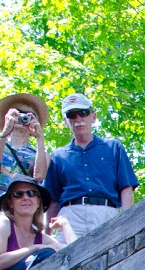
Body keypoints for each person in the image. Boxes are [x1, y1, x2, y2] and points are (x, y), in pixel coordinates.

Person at [40, 95, 139, 238]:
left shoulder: (113, 147)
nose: (78, 118)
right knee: (66, 252)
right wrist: (47, 236)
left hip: (106, 213)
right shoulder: (57, 156)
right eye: (72, 115)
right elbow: (53, 200)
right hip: (70, 217)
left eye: (83, 113)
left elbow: (126, 187)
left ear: (93, 117)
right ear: (65, 121)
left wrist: (127, 222)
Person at [0, 94, 50, 270]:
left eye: (28, 115)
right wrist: (5, 132)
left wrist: (40, 138)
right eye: (18, 113)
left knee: (16, 258)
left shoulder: (39, 153)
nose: (22, 118)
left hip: (20, 212)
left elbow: (39, 176)